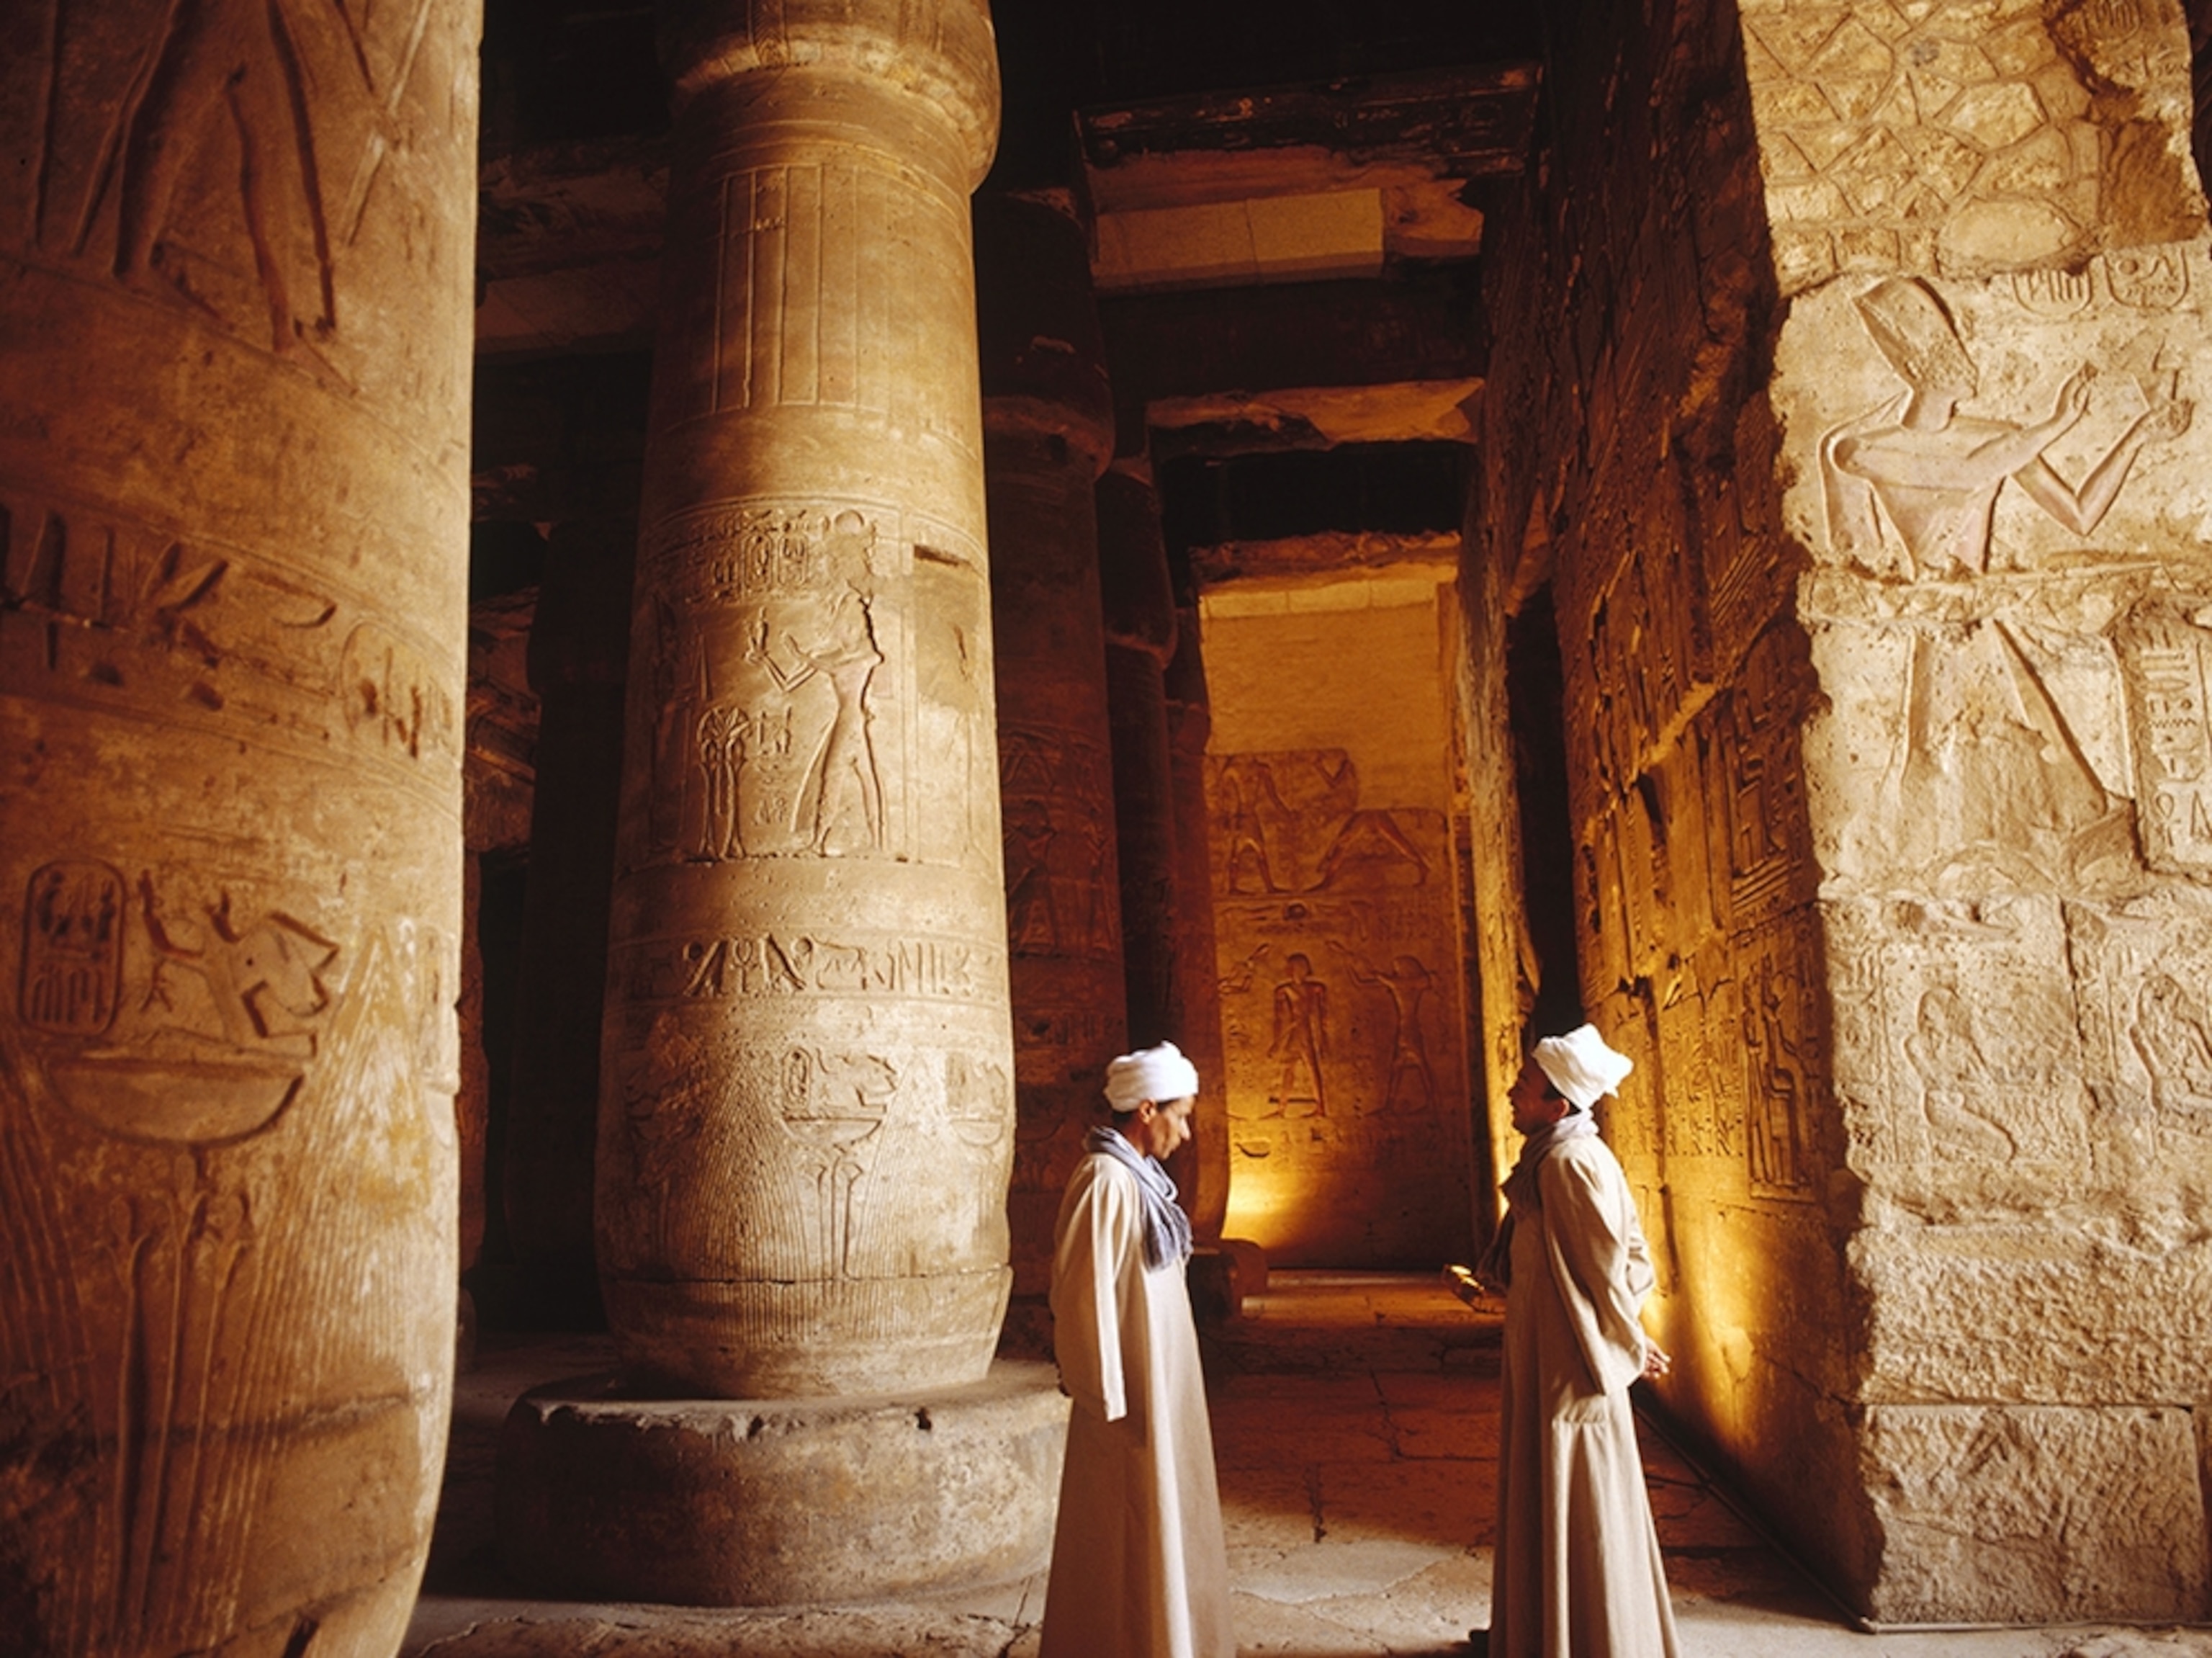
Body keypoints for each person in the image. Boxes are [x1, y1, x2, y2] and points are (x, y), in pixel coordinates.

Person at [1473, 1023, 1678, 1658]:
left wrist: (1628, 1339)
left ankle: (1582, 1639)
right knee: (1551, 1487)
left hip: (1569, 1359)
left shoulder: (1566, 1164)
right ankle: (1541, 1631)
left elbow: (1606, 1265)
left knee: (1577, 1492)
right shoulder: (1553, 1158)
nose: (1512, 1092)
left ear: (1557, 1106)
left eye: (1524, 1085)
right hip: (1548, 1349)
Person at [1039, 1041, 1234, 1658]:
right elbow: (1082, 1290)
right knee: (1126, 1525)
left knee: (1163, 1518)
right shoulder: (1106, 1179)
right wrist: (1105, 1392)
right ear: (1147, 1109)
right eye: (1181, 1116)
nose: (1185, 1133)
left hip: (1161, 1380)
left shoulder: (1140, 1179)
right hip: (1129, 1395)